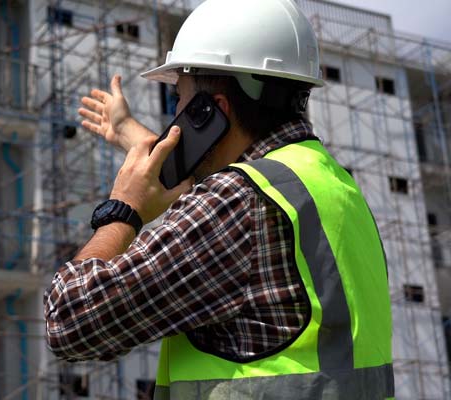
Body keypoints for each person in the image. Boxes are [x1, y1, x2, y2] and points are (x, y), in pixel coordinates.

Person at [43, 0, 394, 398]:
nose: (174, 112)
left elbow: (69, 320)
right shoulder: (333, 185)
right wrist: (138, 140)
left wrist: (124, 209)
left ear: (211, 111)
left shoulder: (236, 201)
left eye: (180, 98)